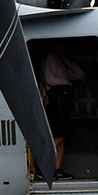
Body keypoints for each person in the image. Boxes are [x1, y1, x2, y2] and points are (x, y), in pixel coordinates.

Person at [40, 42, 83, 179]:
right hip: (53, 103)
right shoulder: (49, 59)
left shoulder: (59, 61)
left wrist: (67, 62)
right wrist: (65, 83)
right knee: (56, 136)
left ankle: (57, 169)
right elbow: (49, 79)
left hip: (62, 103)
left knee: (62, 136)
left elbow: (78, 74)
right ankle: (45, 168)